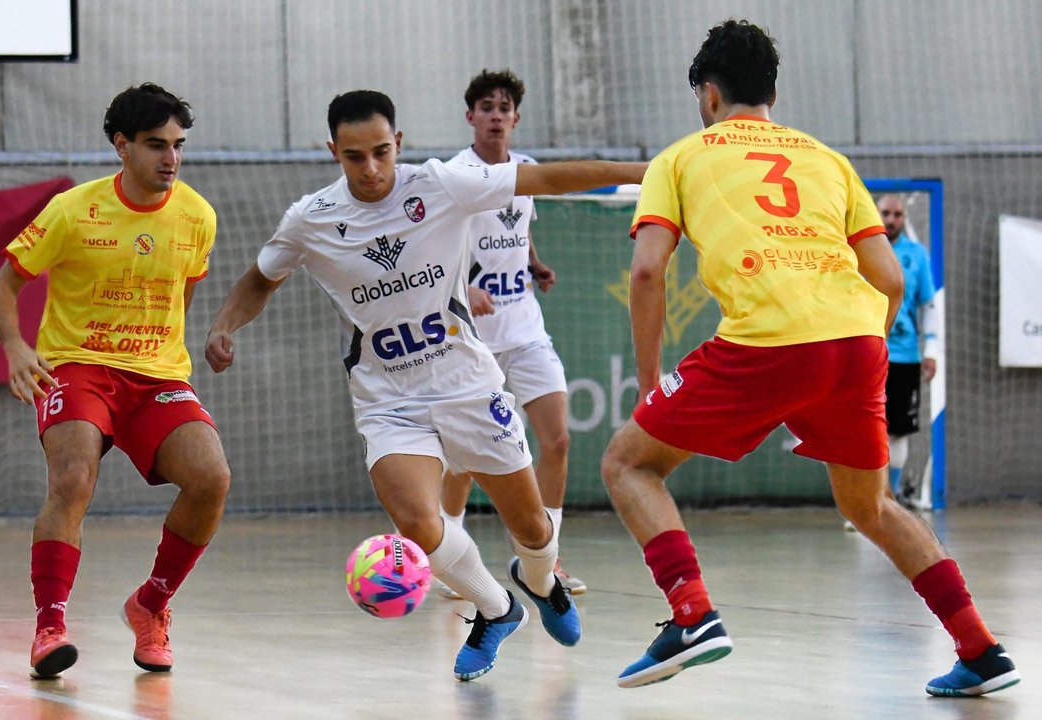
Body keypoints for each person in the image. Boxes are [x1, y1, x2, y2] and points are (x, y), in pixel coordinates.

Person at [600, 20, 1019, 698]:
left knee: (627, 462)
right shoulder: (828, 160)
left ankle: (692, 614)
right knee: (873, 506)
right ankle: (980, 647)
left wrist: (651, 385)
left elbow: (647, 273)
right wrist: (854, 361)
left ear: (709, 96)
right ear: (772, 89)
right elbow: (891, 280)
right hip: (857, 341)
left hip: (768, 340)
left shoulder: (680, 159)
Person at [204, 90, 644, 681]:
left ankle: (535, 580)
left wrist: (651, 172)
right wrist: (225, 324)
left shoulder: (441, 185)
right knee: (416, 520)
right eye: (354, 156)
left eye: (381, 152)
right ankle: (496, 608)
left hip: (466, 384)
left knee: (533, 529)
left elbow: (550, 177)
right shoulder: (310, 218)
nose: (371, 169)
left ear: (399, 144)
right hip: (389, 398)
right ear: (333, 151)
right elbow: (261, 278)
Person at [0, 83, 231, 679]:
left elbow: (183, 293)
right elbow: (3, 287)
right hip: (78, 366)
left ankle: (150, 606)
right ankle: (49, 627)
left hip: (156, 376)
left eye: (177, 145)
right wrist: (17, 347)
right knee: (72, 479)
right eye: (155, 145)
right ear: (122, 146)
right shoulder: (73, 210)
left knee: (211, 478)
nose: (170, 158)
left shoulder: (198, 215)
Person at [432, 69, 584, 602]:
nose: (496, 115)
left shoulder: (527, 172)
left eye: (505, 107)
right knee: (465, 458)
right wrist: (466, 283)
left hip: (525, 329)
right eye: (486, 106)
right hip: (473, 336)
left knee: (557, 440)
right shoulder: (455, 175)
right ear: (470, 117)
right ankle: (450, 553)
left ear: (516, 118)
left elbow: (520, 230)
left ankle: (543, 560)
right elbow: (434, 245)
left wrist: (534, 264)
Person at [877, 194, 939, 506]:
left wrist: (932, 350)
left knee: (898, 431)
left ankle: (888, 502)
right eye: (885, 213)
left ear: (904, 218)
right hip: (867, 356)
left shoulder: (917, 255)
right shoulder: (857, 252)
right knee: (864, 432)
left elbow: (928, 304)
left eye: (897, 214)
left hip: (904, 357)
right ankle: (865, 504)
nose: (891, 220)